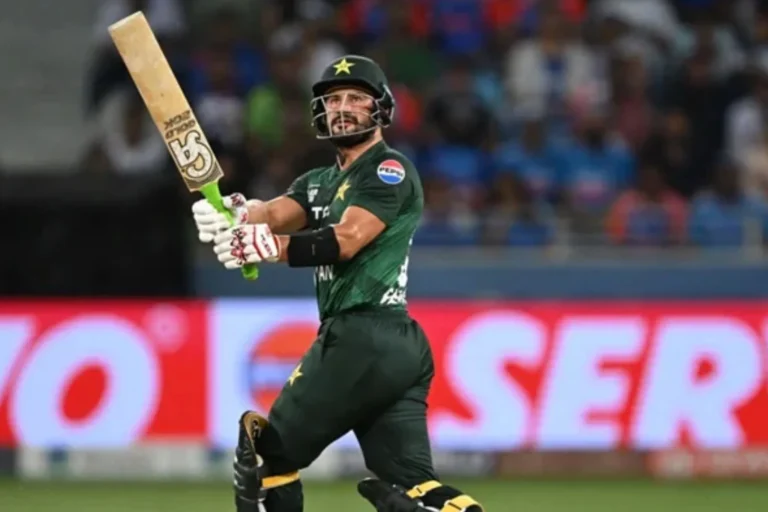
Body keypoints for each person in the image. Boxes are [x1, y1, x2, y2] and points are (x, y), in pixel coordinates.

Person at [192, 55, 485, 512]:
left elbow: (347, 239)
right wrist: (233, 213)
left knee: (268, 462)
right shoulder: (321, 181)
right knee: (413, 485)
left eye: (355, 98)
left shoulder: (389, 171)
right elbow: (270, 212)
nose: (342, 107)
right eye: (333, 100)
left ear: (380, 109)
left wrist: (271, 247)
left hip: (361, 335)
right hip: (396, 350)